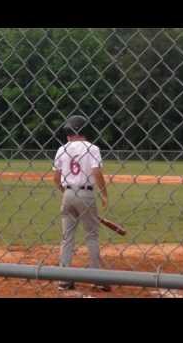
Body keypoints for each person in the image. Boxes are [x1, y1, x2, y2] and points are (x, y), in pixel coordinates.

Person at [52, 115, 110, 292]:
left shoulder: (62, 149)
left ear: (69, 132)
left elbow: (56, 178)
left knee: (67, 237)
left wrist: (67, 193)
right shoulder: (92, 148)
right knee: (91, 235)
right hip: (87, 193)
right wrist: (104, 194)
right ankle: (97, 279)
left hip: (68, 193)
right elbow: (97, 172)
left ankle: (64, 279)